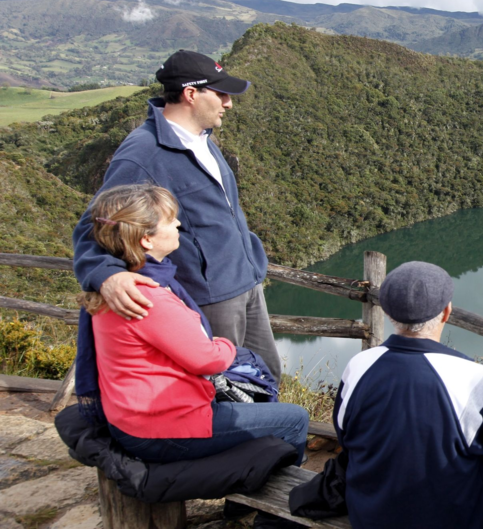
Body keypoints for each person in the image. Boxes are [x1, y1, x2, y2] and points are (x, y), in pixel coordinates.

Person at [71, 50, 281, 379]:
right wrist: (105, 274)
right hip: (210, 296)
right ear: (191, 94)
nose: (228, 103)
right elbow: (96, 223)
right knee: (225, 386)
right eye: (221, 94)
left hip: (246, 281)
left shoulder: (201, 140)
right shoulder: (144, 154)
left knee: (267, 376)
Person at [76, 183, 309, 463]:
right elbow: (208, 360)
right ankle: (279, 485)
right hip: (163, 428)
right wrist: (225, 345)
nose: (178, 224)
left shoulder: (120, 287)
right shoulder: (148, 297)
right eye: (169, 220)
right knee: (295, 419)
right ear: (146, 239)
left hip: (134, 416)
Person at [329, 261, 483, 529]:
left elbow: (345, 437)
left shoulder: (359, 366)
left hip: (371, 524)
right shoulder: (471, 378)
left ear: (388, 313)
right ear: (447, 312)